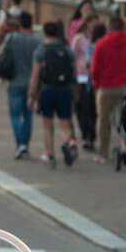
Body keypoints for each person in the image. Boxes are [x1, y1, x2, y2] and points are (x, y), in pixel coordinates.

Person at [28, 21, 77, 168]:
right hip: (64, 90)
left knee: (47, 125)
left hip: (47, 90)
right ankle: (69, 143)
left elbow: (35, 74)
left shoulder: (41, 50)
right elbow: (74, 72)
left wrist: (32, 94)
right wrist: (74, 91)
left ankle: (50, 154)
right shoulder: (67, 49)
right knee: (65, 124)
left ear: (45, 32)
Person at [90, 15, 126, 164]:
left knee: (103, 121)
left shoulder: (101, 44)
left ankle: (103, 154)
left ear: (109, 27)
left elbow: (94, 68)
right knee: (124, 121)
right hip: (125, 88)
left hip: (105, 88)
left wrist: (96, 84)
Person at [0, 12, 41, 159]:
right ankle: (26, 144)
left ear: (20, 24)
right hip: (31, 84)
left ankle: (20, 144)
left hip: (14, 82)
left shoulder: (11, 38)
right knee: (28, 115)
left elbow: (1, 54)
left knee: (15, 115)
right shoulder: (37, 41)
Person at [70, 12, 98, 150]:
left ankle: (91, 136)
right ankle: (85, 134)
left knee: (93, 108)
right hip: (82, 77)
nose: (94, 26)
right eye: (92, 23)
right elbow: (72, 57)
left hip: (95, 78)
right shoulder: (79, 38)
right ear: (86, 24)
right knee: (82, 108)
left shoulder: (100, 38)